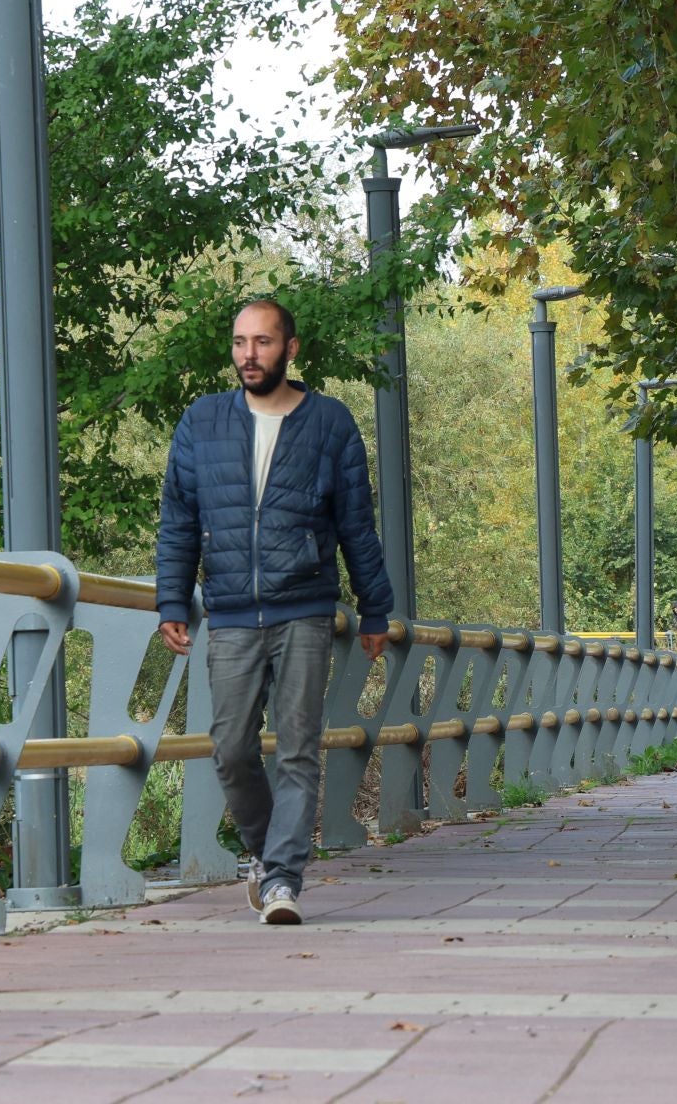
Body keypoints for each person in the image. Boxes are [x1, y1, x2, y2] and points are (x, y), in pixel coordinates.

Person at [156, 299, 394, 926]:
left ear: (290, 349)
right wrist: (172, 599)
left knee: (297, 749)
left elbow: (357, 528)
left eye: (262, 343)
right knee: (230, 748)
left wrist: (375, 611)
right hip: (231, 610)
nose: (248, 356)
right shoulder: (201, 423)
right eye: (239, 343)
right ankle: (266, 854)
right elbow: (178, 521)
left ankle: (285, 879)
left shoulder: (330, 424)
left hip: (304, 608)